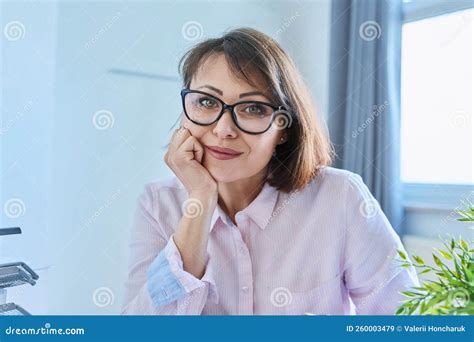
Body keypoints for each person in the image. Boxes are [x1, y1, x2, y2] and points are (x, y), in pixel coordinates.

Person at [121, 27, 419, 315]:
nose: (223, 129)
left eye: (253, 108)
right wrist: (200, 200)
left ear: (284, 128)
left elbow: (409, 322)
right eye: (206, 102)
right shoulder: (158, 203)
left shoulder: (341, 197)